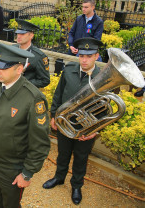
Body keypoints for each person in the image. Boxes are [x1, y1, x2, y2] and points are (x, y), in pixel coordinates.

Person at [0, 40, 50, 208]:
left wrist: (27, 173)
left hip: (12, 167)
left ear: (19, 69)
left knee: (10, 204)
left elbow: (40, 142)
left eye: (3, 68)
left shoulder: (33, 98)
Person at [42, 37, 103, 205]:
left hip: (86, 127)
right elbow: (58, 94)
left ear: (96, 56)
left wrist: (95, 130)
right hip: (65, 123)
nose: (84, 60)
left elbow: (106, 109)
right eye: (82, 55)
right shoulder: (69, 70)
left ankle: (76, 185)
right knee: (63, 153)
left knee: (81, 158)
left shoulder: (103, 77)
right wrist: (54, 115)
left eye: (89, 56)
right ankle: (59, 177)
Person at [14, 19, 50, 88]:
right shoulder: (12, 48)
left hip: (25, 92)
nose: (18, 36)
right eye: (18, 33)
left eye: (22, 34)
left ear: (31, 36)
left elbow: (45, 80)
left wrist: (24, 83)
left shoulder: (39, 56)